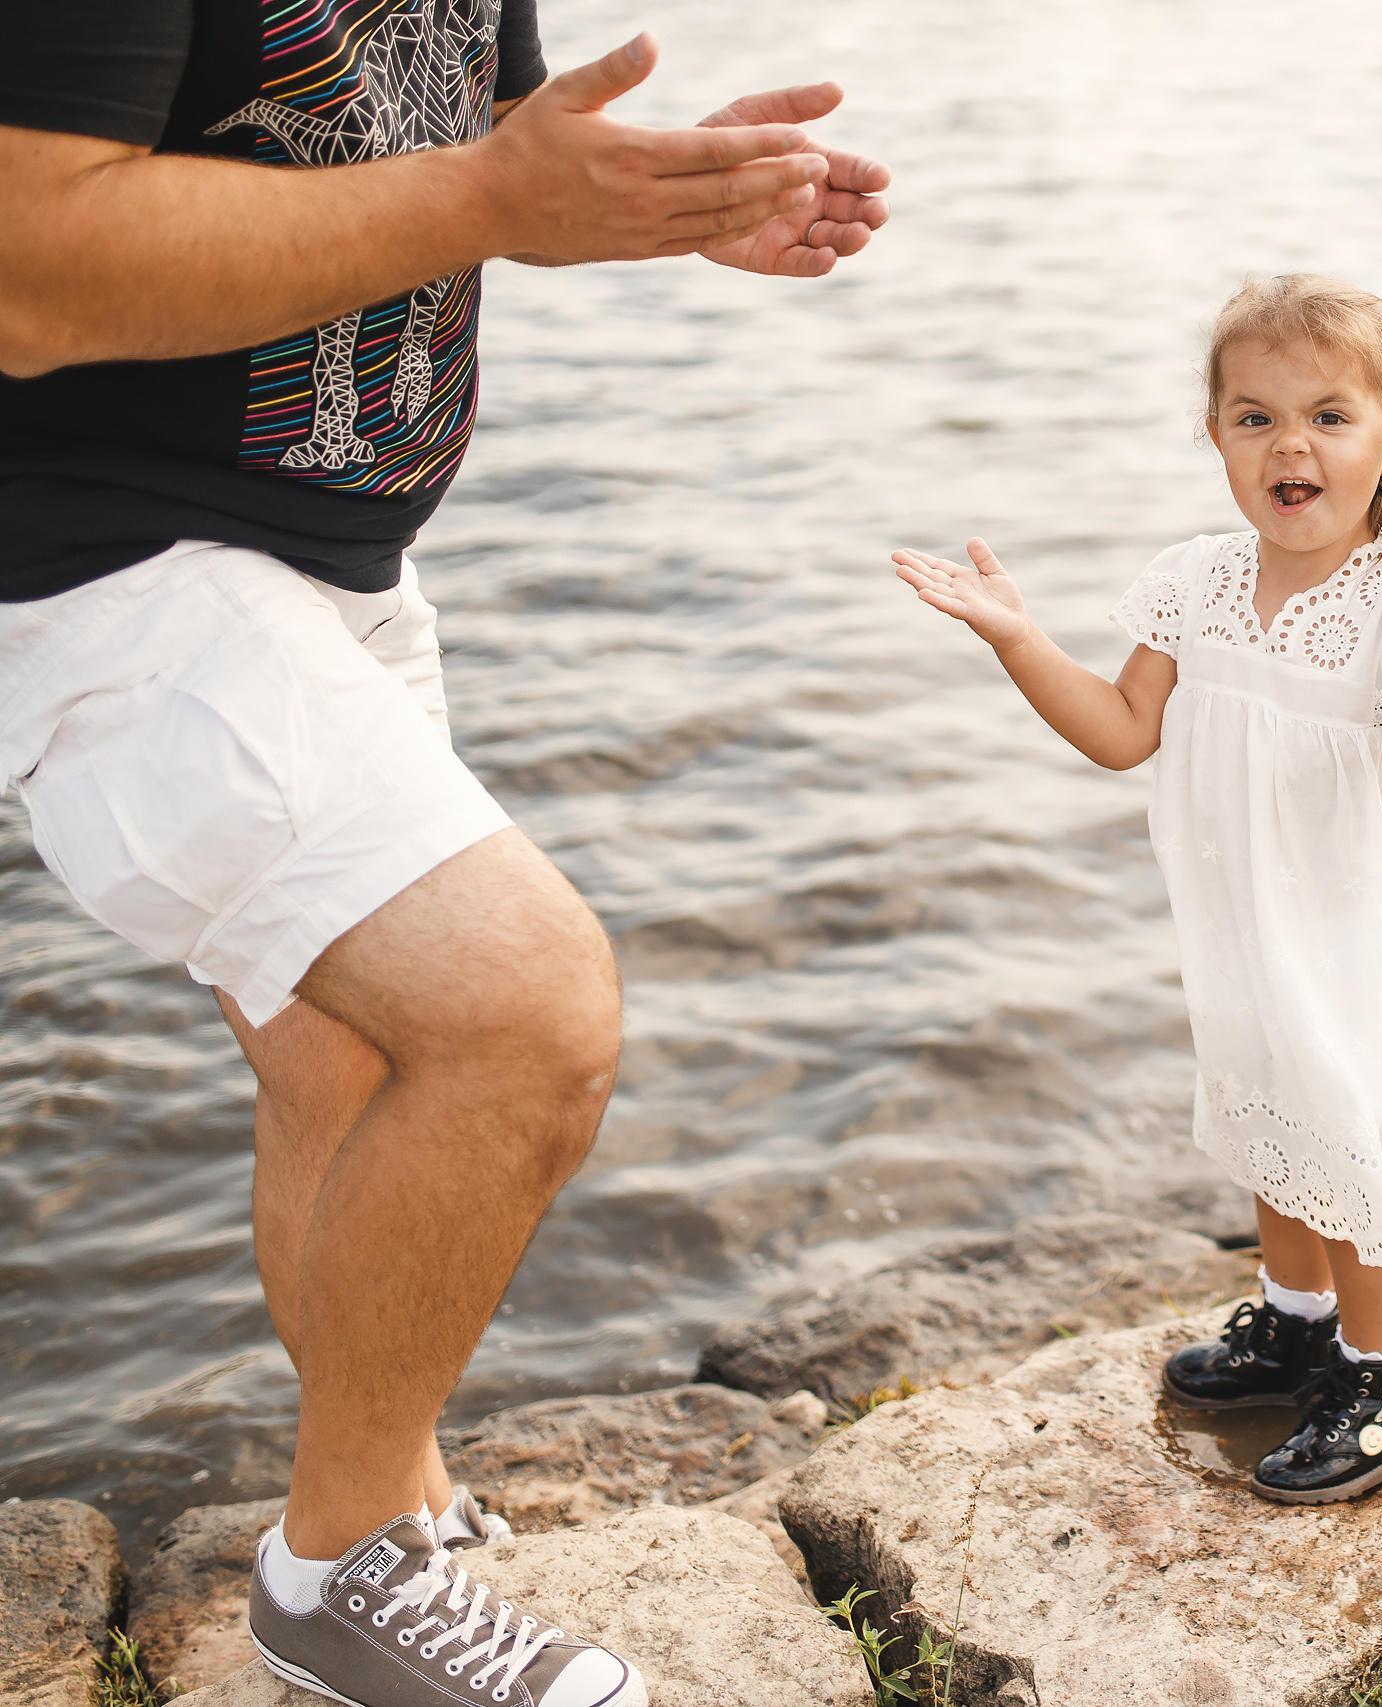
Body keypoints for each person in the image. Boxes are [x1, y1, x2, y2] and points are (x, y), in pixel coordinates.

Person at [0, 7, 889, 1703]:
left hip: (333, 562)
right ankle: (334, 1575)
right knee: (524, 1013)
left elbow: (471, 142)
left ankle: (382, 1505)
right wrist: (489, 194)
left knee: (345, 1067)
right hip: (108, 569)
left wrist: (666, 196)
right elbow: (30, 264)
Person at [891, 273, 1382, 1504]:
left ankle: (1378, 1378)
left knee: (1356, 1136)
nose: (1292, 445)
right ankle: (1295, 1324)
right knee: (1274, 1113)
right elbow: (1123, 731)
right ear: (1216, 434)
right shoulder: (1195, 581)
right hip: (1244, 921)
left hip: (1362, 935)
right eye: (1255, 417)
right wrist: (1018, 638)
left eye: (1329, 418)